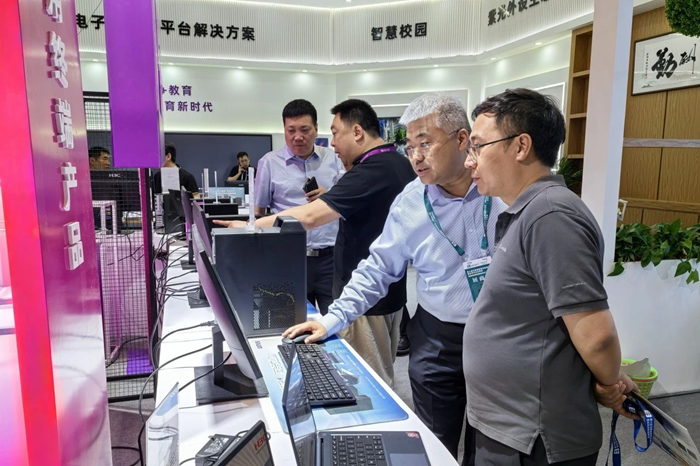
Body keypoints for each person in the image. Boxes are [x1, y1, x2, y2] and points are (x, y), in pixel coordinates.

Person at [283, 93, 507, 462]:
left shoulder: (501, 190)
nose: (415, 156)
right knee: (435, 443)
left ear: (462, 139)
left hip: (498, 337)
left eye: (425, 143)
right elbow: (378, 268)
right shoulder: (410, 201)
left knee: (492, 447)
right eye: (410, 145)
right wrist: (332, 319)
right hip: (437, 339)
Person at [462, 88, 639, 465]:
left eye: (477, 146)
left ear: (521, 146)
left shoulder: (551, 217)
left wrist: (609, 384)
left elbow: (597, 335)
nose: (468, 160)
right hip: (509, 425)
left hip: (534, 437)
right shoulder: (530, 211)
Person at [216, 99, 414, 386]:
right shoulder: (398, 162)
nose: (332, 143)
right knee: (378, 366)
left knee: (369, 380)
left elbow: (309, 216)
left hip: (366, 298)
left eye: (335, 133)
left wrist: (251, 226)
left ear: (357, 132)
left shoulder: (371, 170)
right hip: (386, 291)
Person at [253, 99, 344, 314]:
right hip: (288, 258)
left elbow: (348, 204)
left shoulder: (334, 159)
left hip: (330, 259)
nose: (298, 137)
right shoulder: (269, 162)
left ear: (316, 129)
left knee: (336, 322)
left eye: (305, 130)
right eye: (291, 130)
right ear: (284, 130)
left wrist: (330, 196)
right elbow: (259, 212)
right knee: (291, 320)